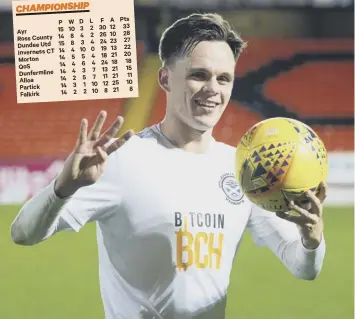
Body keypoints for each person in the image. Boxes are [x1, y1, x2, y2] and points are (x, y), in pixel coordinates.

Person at [11, 13, 327, 319]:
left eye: (224, 78)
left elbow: (303, 267)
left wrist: (311, 240)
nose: (213, 90)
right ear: (165, 78)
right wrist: (63, 188)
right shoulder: (122, 161)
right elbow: (23, 233)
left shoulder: (244, 170)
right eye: (198, 75)